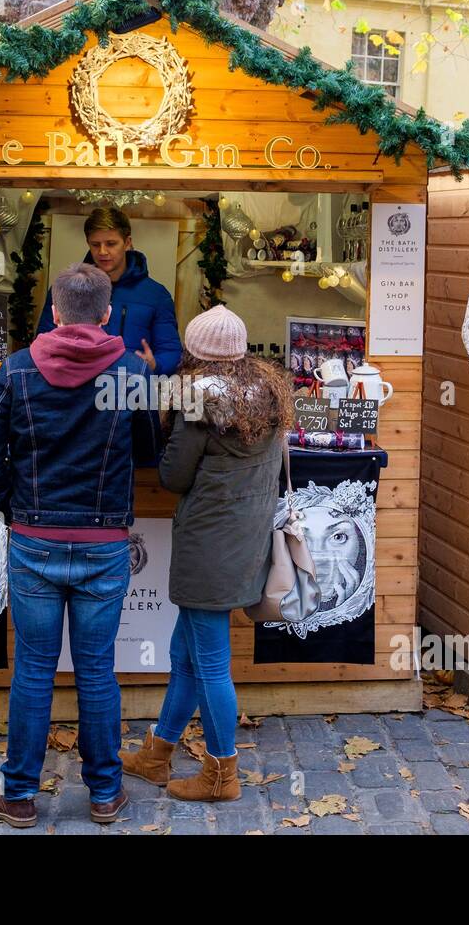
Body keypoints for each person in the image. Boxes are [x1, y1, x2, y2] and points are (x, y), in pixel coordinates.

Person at [0, 262, 158, 828]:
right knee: (97, 670)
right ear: (107, 314)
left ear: (54, 312)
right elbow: (148, 451)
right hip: (103, 544)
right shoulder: (129, 372)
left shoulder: (17, 371)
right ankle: (105, 793)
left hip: (35, 542)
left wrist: (16, 506)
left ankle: (21, 793)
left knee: (33, 669)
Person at [120, 305, 293, 802]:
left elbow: (173, 476)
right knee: (185, 654)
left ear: (196, 352)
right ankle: (157, 754)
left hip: (209, 543)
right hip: (246, 539)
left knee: (210, 663)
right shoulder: (268, 392)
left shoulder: (197, 399)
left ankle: (222, 775)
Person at [36, 207, 182, 375]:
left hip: (130, 390)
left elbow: (171, 351)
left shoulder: (156, 295)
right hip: (75, 389)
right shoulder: (65, 289)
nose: (103, 252)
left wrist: (156, 365)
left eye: (111, 244)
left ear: (127, 243)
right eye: (95, 244)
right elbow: (43, 341)